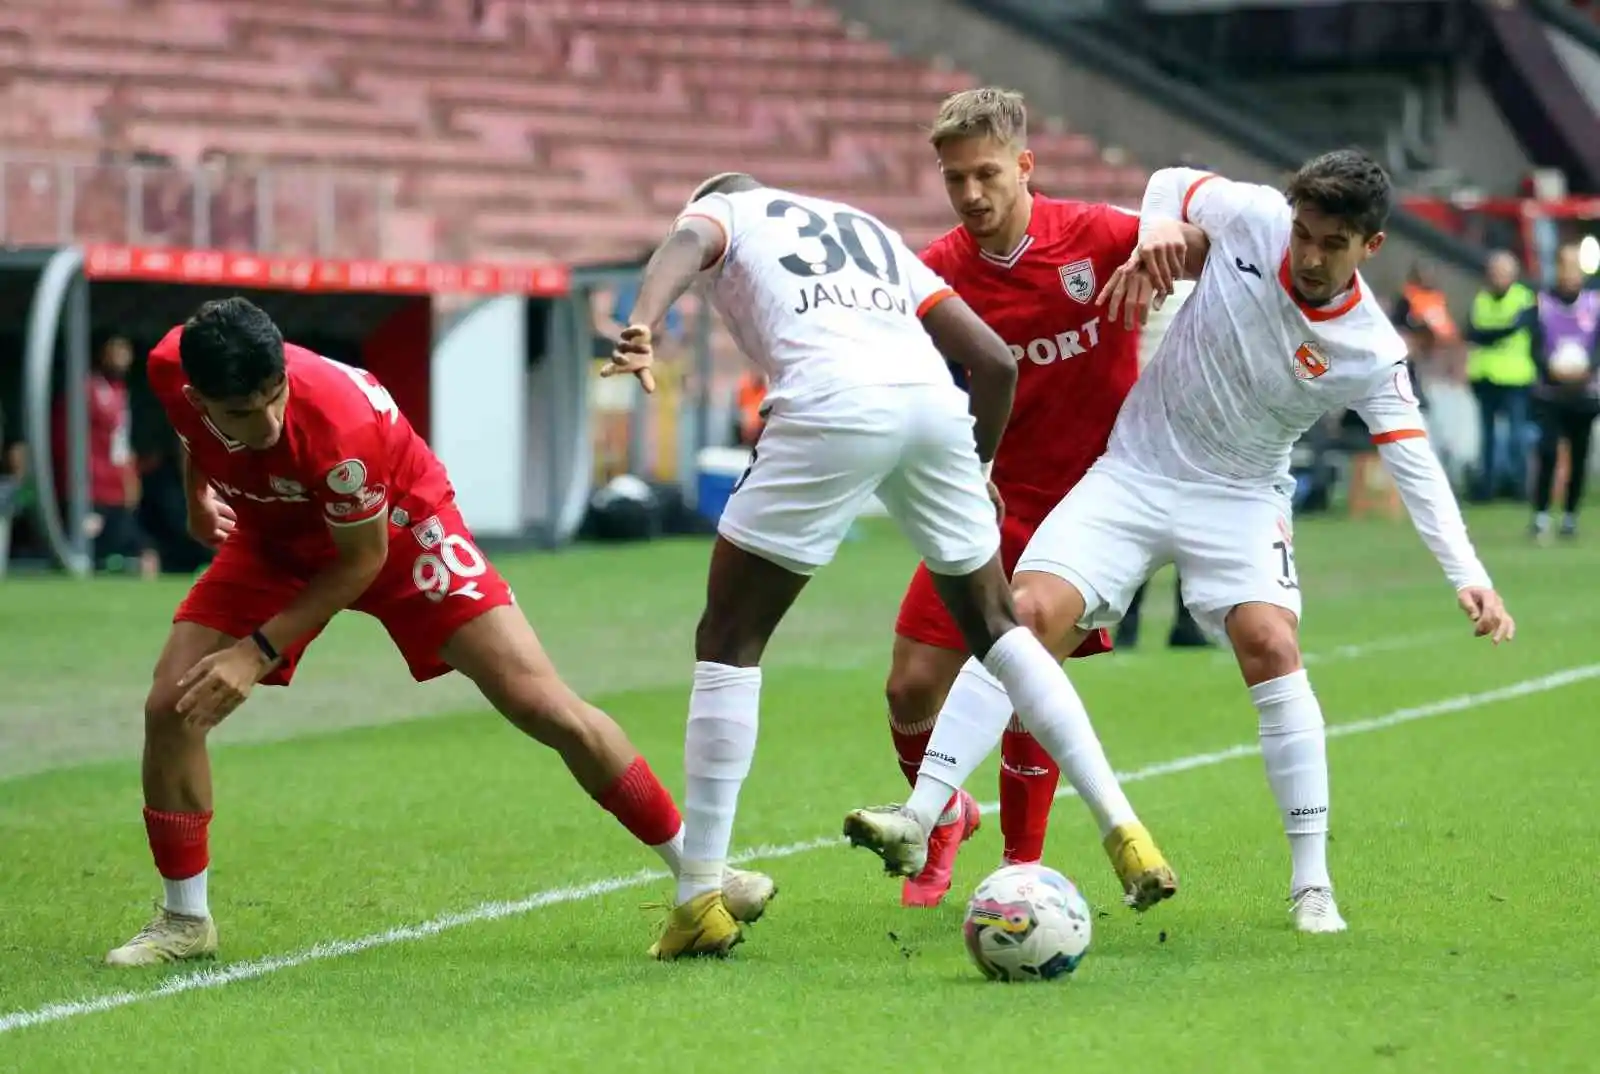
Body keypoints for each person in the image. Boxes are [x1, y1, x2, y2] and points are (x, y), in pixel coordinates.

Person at [843, 150, 1516, 934]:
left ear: (1370, 246)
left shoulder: (1371, 348)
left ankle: (1311, 883)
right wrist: (1163, 227)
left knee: (1270, 644)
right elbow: (1171, 180)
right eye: (1303, 233)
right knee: (1023, 616)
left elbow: (1413, 460)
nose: (1307, 253)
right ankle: (923, 816)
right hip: (1133, 471)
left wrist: (1467, 573)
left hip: (1239, 497)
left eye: (1331, 243)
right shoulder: (1256, 216)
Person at [106, 297, 775, 967]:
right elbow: (193, 428)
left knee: (542, 705)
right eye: (243, 415)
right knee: (171, 706)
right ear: (202, 394)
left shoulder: (335, 425)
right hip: (272, 537)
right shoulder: (173, 366)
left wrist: (255, 652)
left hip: (398, 533)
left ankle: (706, 874)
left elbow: (360, 562)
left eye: (273, 398)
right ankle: (186, 920)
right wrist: (198, 494)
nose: (268, 422)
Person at [603, 172, 1172, 959]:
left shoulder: (727, 209)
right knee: (1000, 632)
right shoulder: (863, 226)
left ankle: (698, 894)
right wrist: (971, 473)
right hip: (933, 408)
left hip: (834, 401)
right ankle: (1124, 826)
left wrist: (640, 320)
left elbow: (688, 241)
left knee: (730, 638)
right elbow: (995, 363)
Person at [882, 87, 1168, 908]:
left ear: (1025, 166)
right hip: (988, 507)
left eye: (986, 174)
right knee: (908, 686)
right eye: (954, 179)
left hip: (1089, 514)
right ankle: (945, 820)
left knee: (1023, 683)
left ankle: (1021, 872)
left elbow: (1209, 241)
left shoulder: (1099, 238)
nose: (972, 195)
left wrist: (1172, 237)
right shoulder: (937, 271)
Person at [1528, 243, 1600, 539]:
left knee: (1580, 453)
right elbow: (1534, 346)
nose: (1570, 273)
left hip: (1585, 392)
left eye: (1574, 266)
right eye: (1564, 266)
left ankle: (1570, 515)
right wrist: (1551, 370)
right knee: (1547, 451)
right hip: (1551, 392)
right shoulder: (1542, 303)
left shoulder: (1594, 303)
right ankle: (1541, 514)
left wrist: (1587, 370)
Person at [1467, 251, 1538, 502]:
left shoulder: (1524, 298)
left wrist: (1491, 333)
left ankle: (1518, 486)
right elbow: (1473, 332)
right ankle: (1487, 487)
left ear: (1514, 274)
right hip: (1484, 377)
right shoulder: (1482, 299)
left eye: (1503, 272)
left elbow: (1506, 329)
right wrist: (1499, 331)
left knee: (1517, 436)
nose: (1497, 277)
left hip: (1515, 378)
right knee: (1486, 438)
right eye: (1494, 272)